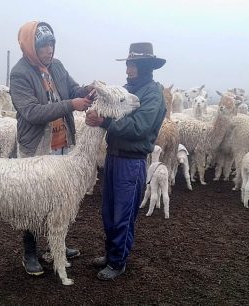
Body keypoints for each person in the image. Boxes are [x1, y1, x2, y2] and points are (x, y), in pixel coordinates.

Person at [9, 21, 95, 276]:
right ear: (30, 46)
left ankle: (56, 246)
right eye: (43, 45)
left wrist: (88, 90)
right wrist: (71, 104)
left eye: (52, 44)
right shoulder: (20, 73)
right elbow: (32, 112)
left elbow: (73, 89)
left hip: (61, 144)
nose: (49, 50)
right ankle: (31, 253)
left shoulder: (56, 66)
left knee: (59, 201)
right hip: (37, 147)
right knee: (32, 201)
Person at [85, 42, 167, 280]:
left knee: (123, 212)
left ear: (144, 66)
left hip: (131, 161)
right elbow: (108, 104)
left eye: (132, 65)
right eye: (128, 64)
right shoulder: (127, 89)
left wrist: (106, 122)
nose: (128, 69)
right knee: (108, 210)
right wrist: (95, 101)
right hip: (113, 157)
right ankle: (111, 254)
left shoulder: (152, 94)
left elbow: (141, 127)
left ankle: (118, 261)